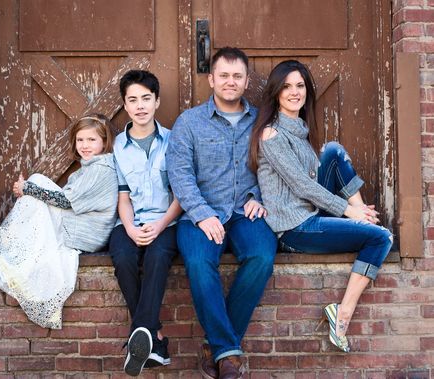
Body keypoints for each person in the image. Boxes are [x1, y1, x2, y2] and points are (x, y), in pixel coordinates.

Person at [249, 59, 393, 353]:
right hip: (294, 229)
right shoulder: (271, 135)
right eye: (286, 86)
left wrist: (355, 211)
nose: (294, 92)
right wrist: (347, 210)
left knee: (333, 151)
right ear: (276, 93)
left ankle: (364, 218)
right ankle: (343, 315)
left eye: (300, 86)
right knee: (382, 239)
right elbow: (302, 186)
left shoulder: (299, 130)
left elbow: (313, 180)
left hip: (310, 213)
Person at [166, 47, 277, 379]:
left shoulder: (261, 121)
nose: (231, 82)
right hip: (199, 214)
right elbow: (179, 174)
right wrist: (202, 214)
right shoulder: (189, 122)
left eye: (237, 76)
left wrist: (259, 195)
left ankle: (216, 346)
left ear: (246, 81)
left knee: (261, 255)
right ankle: (228, 355)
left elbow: (273, 167)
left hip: (246, 211)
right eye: (224, 75)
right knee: (200, 262)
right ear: (212, 79)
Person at [0, 114, 118, 329]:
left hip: (85, 234)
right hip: (77, 225)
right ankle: (6, 242)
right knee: (37, 188)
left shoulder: (101, 169)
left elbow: (64, 201)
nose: (85, 146)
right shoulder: (91, 167)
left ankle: (5, 244)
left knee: (37, 182)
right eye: (80, 140)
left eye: (91, 140)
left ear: (105, 142)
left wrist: (29, 189)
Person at [109, 70, 181, 377]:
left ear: (157, 102)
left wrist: (162, 224)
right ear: (125, 106)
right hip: (130, 222)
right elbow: (123, 197)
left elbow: (182, 194)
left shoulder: (173, 141)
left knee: (157, 257)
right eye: (133, 100)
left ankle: (143, 335)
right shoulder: (117, 147)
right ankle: (155, 337)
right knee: (124, 257)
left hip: (168, 221)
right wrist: (130, 229)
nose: (140, 106)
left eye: (146, 99)